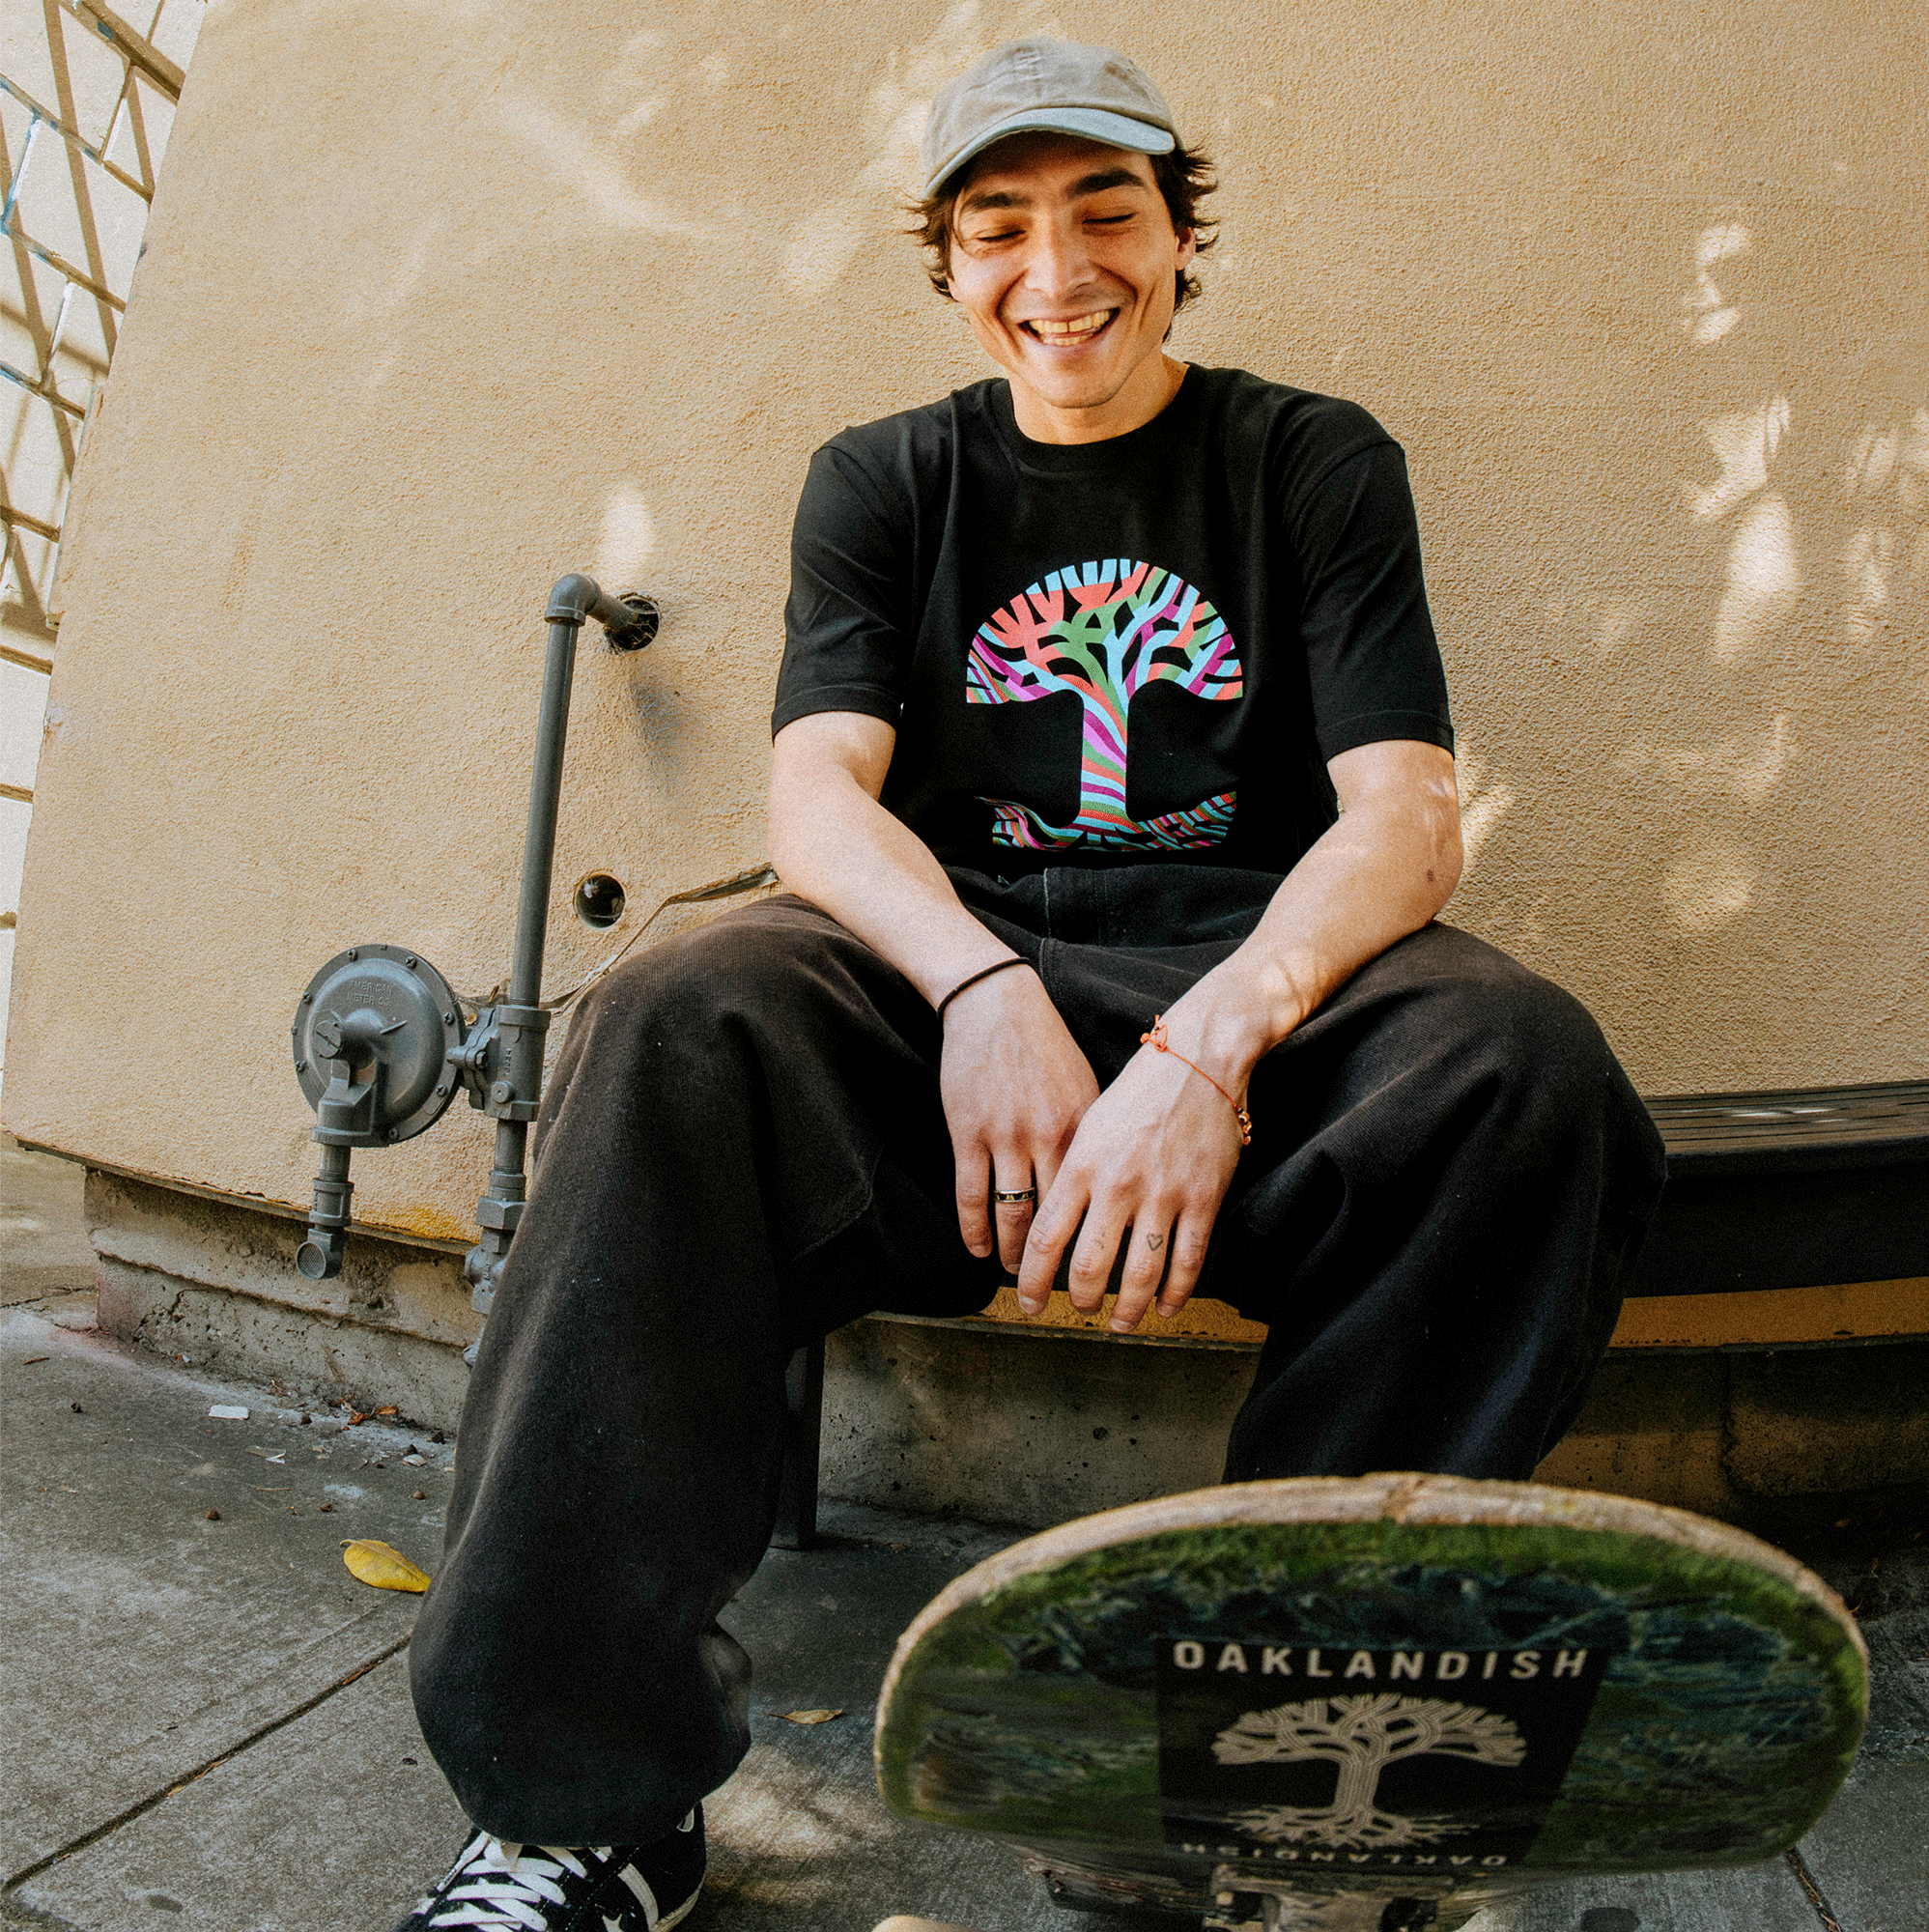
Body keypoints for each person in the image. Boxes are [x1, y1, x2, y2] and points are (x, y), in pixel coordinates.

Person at [391, 36, 1666, 1932]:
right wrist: (980, 982)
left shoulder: (1307, 458)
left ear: (1174, 234)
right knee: (667, 1019)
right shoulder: (886, 478)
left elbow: (1400, 815)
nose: (1053, 266)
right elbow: (816, 798)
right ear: (945, 259)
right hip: (942, 984)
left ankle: (1282, 1798)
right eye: (998, 224)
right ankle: (583, 1799)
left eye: (1103, 212)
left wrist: (1206, 1042)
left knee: (1518, 1075)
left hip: (1246, 984)